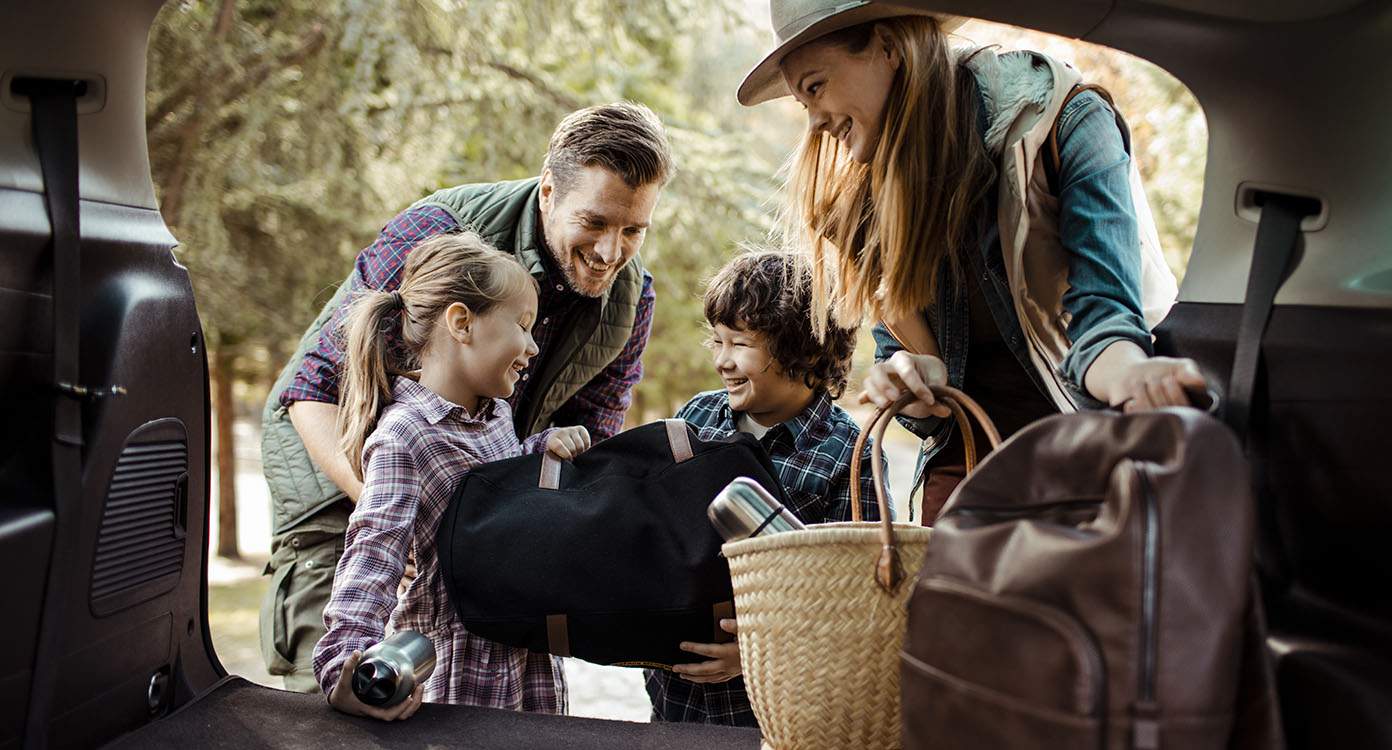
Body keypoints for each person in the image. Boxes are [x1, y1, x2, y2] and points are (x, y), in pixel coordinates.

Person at [258, 102, 674, 692]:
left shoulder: (631, 303)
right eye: (597, 222)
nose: (612, 251)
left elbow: (586, 455)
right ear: (550, 191)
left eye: (634, 230)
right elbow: (312, 389)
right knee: (338, 697)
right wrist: (405, 522)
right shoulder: (438, 228)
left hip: (472, 495)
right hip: (341, 470)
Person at [739, 1, 1206, 523]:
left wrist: (1134, 377)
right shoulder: (865, 205)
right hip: (968, 472)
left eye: (815, 87)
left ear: (888, 47)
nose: (815, 122)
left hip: (1087, 453)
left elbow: (1107, 324)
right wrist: (909, 378)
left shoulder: (1066, 122)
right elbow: (915, 369)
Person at [310, 232, 592, 719]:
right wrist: (343, 667)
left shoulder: (495, 416)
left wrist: (538, 451)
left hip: (526, 666)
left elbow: (494, 492)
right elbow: (373, 556)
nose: (531, 345)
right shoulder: (406, 435)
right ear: (462, 323)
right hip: (460, 678)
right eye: (523, 326)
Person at [643, 248, 892, 728]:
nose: (722, 360)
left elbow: (856, 603)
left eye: (740, 344)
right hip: (673, 703)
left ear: (807, 348)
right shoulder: (695, 418)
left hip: (772, 712)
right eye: (716, 341)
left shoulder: (851, 456)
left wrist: (754, 654)